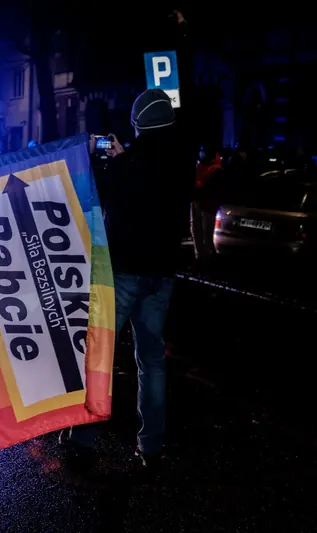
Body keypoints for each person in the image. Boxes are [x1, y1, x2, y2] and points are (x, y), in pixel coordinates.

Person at [64, 89, 192, 466]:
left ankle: (83, 436)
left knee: (100, 354)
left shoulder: (126, 165)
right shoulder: (183, 163)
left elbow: (100, 196)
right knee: (151, 358)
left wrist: (103, 158)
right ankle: (150, 446)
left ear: (137, 123)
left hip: (123, 273)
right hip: (162, 275)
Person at [191, 148, 224, 262]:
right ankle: (200, 257)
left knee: (206, 234)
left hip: (207, 205)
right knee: (197, 231)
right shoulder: (199, 167)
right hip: (198, 203)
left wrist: (199, 188)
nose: (201, 153)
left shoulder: (216, 170)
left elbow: (212, 189)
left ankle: (209, 259)